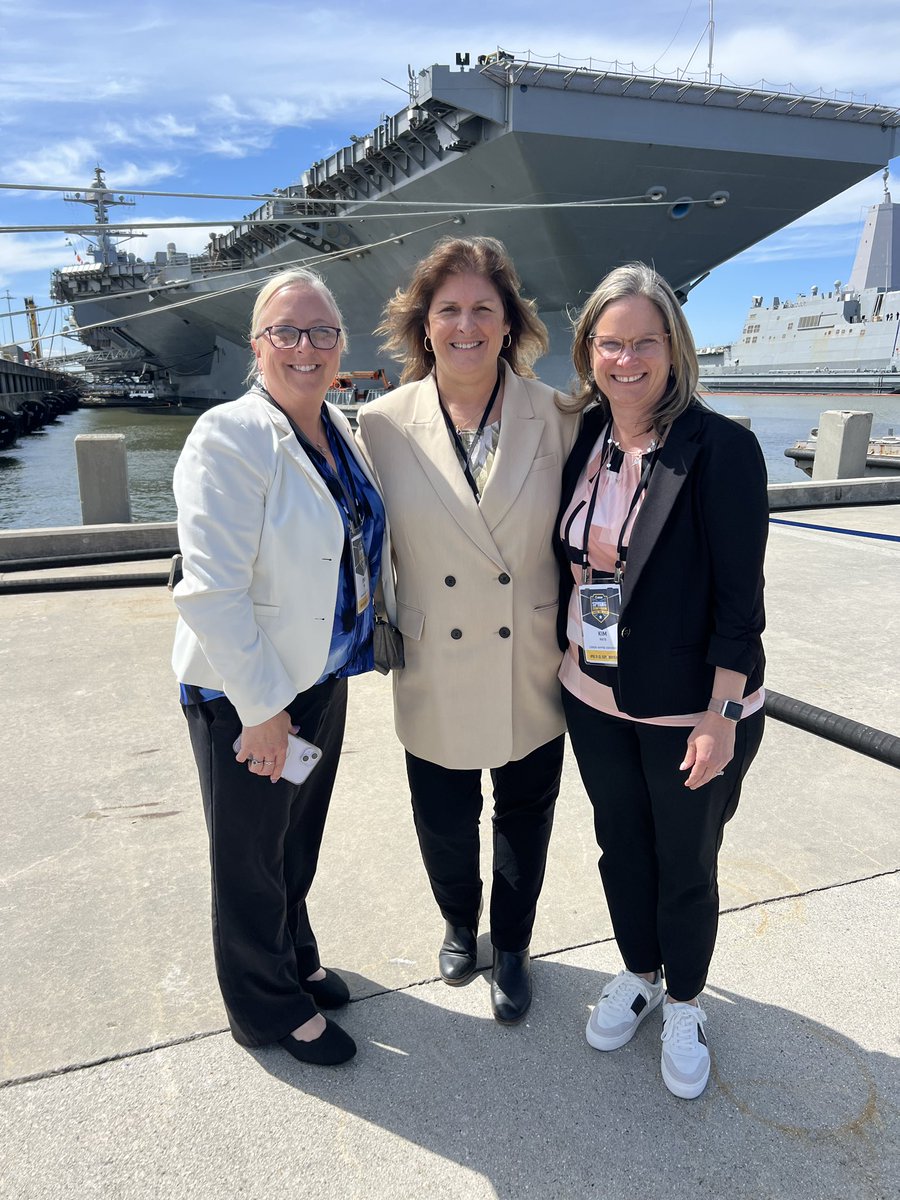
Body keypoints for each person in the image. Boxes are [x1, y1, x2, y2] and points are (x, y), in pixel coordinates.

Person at [554, 262, 767, 1099]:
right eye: (611, 343)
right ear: (589, 352)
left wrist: (720, 713)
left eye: (645, 341)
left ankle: (685, 1001)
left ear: (673, 349)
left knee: (687, 859)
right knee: (621, 846)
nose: (627, 359)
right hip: (593, 691)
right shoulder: (585, 439)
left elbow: (738, 601)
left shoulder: (723, 450)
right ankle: (639, 971)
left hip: (691, 705)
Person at [172, 268, 392, 1066]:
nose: (307, 348)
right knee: (249, 856)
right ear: (257, 346)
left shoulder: (339, 428)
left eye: (323, 332)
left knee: (294, 839)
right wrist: (262, 710)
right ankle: (265, 1009)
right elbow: (210, 589)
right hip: (247, 691)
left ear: (342, 347)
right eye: (287, 333)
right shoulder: (228, 436)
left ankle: (292, 956)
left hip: (319, 675)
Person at [356, 236, 579, 1024]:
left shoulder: (558, 413)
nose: (466, 324)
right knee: (443, 816)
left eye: (485, 307)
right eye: (448, 308)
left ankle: (512, 943)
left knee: (526, 811)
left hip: (529, 651)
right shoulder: (378, 424)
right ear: (422, 325)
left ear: (511, 322)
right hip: (433, 654)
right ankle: (458, 919)